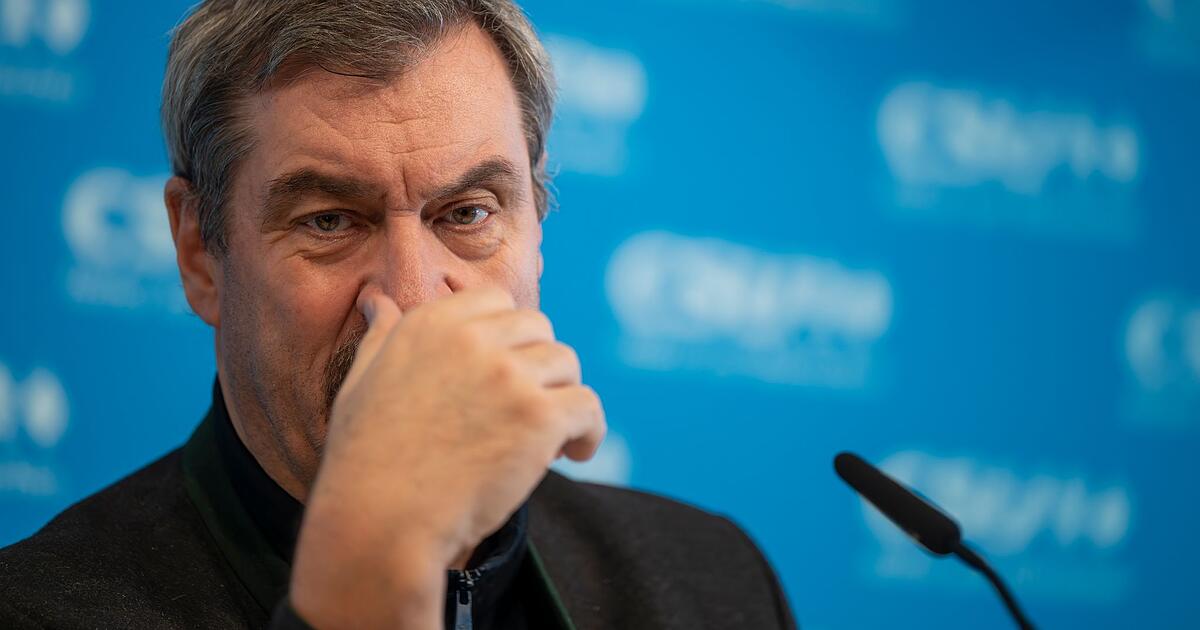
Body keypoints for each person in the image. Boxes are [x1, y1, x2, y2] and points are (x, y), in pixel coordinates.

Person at [0, 1, 797, 628]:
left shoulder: (712, 582)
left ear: (537, 231)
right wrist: (377, 561)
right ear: (199, 253)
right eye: (329, 221)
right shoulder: (40, 608)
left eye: (468, 213)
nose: (413, 299)